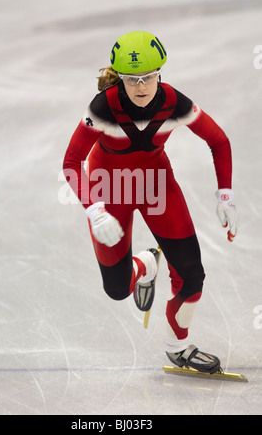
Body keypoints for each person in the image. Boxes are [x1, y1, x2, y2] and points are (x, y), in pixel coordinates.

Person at [63, 31, 238, 373]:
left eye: (149, 77)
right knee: (117, 290)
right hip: (109, 189)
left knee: (192, 277)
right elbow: (71, 164)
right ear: (120, 80)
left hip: (156, 185)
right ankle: (145, 265)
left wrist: (226, 194)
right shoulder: (102, 108)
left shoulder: (176, 103)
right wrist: (95, 210)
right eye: (131, 79)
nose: (141, 86)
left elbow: (219, 141)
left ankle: (178, 346)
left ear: (161, 72)